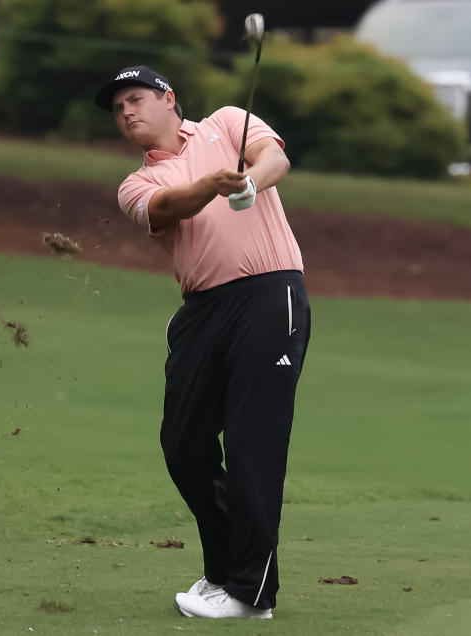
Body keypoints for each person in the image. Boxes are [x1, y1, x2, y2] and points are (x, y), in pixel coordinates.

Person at [94, 66, 311, 620]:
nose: (127, 113)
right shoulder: (136, 184)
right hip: (202, 310)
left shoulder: (226, 122)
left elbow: (276, 158)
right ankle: (223, 573)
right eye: (118, 109)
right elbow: (168, 209)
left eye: (135, 99)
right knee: (184, 446)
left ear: (168, 98)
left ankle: (250, 593)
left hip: (269, 297)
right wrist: (213, 186)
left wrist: (251, 182)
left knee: (250, 446)